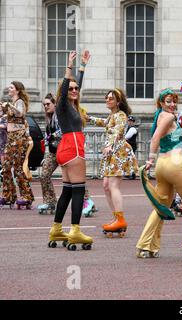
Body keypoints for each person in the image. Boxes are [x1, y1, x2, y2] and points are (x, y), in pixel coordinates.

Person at [135, 88, 182, 261]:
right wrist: (149, 158)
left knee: (161, 207)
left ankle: (146, 245)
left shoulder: (160, 116)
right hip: (174, 163)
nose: (173, 104)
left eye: (174, 101)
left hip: (163, 165)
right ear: (160, 102)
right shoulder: (169, 117)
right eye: (169, 101)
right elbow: (156, 138)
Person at [47, 49, 93, 251]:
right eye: (71, 89)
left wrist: (82, 67)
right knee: (79, 191)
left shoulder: (71, 106)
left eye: (76, 89)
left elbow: (75, 85)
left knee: (67, 190)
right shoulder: (62, 105)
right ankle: (75, 230)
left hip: (66, 148)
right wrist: (70, 66)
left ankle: (56, 228)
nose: (74, 90)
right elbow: (65, 87)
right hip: (73, 148)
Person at [87, 88, 138, 238]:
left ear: (118, 101)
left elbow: (118, 130)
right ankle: (116, 217)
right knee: (106, 186)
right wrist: (87, 118)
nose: (107, 100)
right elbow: (105, 123)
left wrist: (110, 145)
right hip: (112, 153)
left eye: (111, 98)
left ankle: (120, 220)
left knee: (113, 186)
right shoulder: (112, 115)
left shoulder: (121, 115)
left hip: (118, 152)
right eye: (107, 98)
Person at [0, 81, 34, 209]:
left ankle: (27, 196)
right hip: (11, 138)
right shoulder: (12, 104)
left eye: (11, 87)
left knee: (18, 168)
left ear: (17, 90)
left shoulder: (19, 102)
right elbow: (5, 118)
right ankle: (8, 196)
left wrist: (9, 106)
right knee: (6, 167)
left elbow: (20, 113)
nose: (9, 89)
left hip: (20, 138)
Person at [38, 93, 61, 214]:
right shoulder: (48, 119)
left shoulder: (60, 117)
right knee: (44, 175)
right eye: (44, 105)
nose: (46, 106)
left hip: (63, 151)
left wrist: (52, 136)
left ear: (55, 104)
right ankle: (50, 202)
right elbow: (47, 139)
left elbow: (63, 132)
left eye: (48, 104)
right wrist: (45, 154)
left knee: (74, 179)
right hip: (52, 153)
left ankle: (86, 201)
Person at [125, 115, 138, 180]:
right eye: (129, 121)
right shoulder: (128, 128)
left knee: (131, 160)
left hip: (131, 146)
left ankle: (132, 174)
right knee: (128, 160)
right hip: (129, 146)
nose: (130, 122)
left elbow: (127, 137)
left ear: (133, 122)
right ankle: (129, 173)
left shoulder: (132, 129)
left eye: (131, 121)